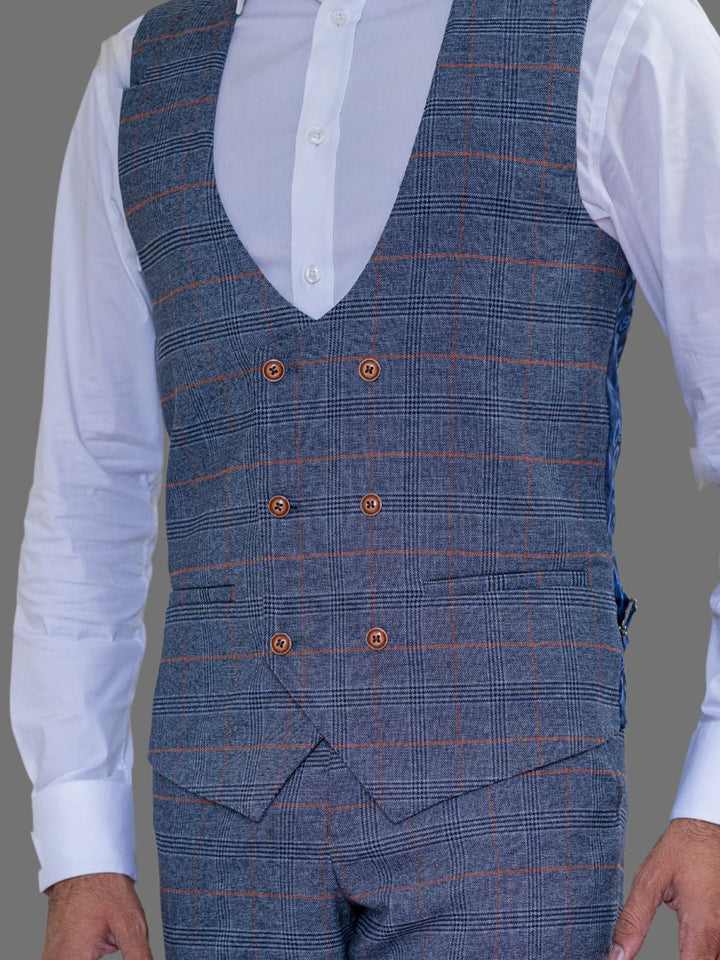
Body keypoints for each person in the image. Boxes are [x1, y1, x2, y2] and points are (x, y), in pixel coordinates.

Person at [10, 0, 720, 957]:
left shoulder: (618, 30)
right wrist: (78, 843)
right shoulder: (139, 75)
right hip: (225, 818)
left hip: (514, 814)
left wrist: (715, 798)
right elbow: (88, 480)